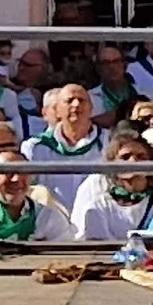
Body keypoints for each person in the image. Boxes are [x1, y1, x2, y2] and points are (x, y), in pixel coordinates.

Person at [69, 135, 153, 239]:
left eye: (141, 157)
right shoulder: (99, 206)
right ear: (112, 166)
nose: (133, 161)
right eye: (125, 157)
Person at [24, 84, 109, 212]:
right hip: (51, 224)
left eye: (81, 100)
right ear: (57, 110)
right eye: (69, 101)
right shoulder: (35, 147)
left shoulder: (110, 142)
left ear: (91, 108)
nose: (76, 104)